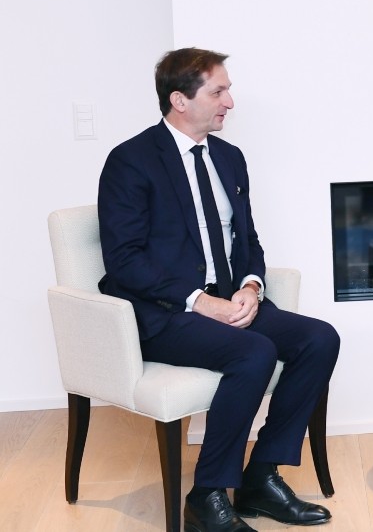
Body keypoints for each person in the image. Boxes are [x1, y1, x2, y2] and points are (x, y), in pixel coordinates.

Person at [98, 48, 341, 532]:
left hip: (230, 299)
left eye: (227, 90)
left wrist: (251, 285)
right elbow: (124, 261)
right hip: (166, 312)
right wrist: (199, 301)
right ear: (180, 100)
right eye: (219, 91)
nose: (230, 101)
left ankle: (260, 478)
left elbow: (247, 239)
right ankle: (206, 495)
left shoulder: (229, 158)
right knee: (254, 352)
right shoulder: (131, 161)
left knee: (319, 339)